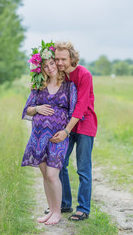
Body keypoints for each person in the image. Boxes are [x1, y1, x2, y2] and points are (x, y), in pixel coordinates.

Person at [21, 41, 77, 225]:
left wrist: (65, 132)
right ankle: (51, 211)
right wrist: (37, 108)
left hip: (58, 137)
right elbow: (27, 110)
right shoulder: (39, 86)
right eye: (45, 66)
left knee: (53, 175)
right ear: (41, 69)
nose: (50, 67)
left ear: (56, 63)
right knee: (45, 176)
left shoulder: (69, 86)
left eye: (52, 63)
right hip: (38, 137)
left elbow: (73, 112)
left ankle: (58, 212)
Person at [49, 41, 97, 221]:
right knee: (60, 163)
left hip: (85, 125)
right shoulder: (60, 75)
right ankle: (64, 203)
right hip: (67, 125)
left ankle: (83, 209)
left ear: (72, 58)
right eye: (57, 59)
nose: (59, 62)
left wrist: (66, 131)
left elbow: (81, 105)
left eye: (63, 59)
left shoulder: (84, 74)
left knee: (83, 168)